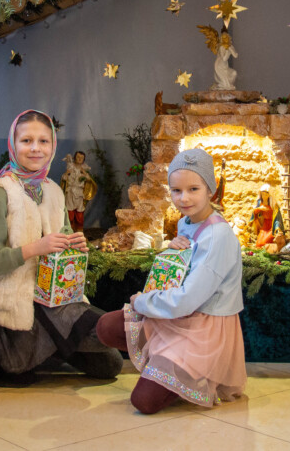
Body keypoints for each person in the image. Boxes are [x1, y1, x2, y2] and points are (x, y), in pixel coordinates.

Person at [0, 110, 123, 383]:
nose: (35, 148)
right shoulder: (1, 193)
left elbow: (62, 243)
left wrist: (74, 246)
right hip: (19, 305)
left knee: (110, 364)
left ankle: (54, 347)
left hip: (56, 298)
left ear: (53, 146)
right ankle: (39, 349)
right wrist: (33, 248)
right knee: (103, 333)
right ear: (13, 144)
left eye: (43, 141)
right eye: (26, 141)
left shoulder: (53, 190)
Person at [96, 148, 247, 414]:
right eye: (176, 190)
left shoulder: (219, 236)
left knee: (143, 402)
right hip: (180, 315)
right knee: (106, 326)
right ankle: (163, 366)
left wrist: (142, 302)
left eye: (193, 189)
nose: (184, 198)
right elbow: (180, 269)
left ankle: (186, 373)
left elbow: (188, 299)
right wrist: (173, 248)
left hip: (203, 326)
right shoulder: (186, 222)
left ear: (210, 189)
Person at [60, 151, 95, 232]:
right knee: (70, 213)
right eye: (78, 157)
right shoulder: (70, 168)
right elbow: (64, 179)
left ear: (84, 160)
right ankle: (70, 231)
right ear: (75, 157)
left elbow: (89, 180)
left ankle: (79, 231)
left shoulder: (84, 169)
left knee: (79, 214)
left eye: (82, 158)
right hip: (70, 193)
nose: (79, 159)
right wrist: (66, 174)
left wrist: (85, 173)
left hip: (79, 193)